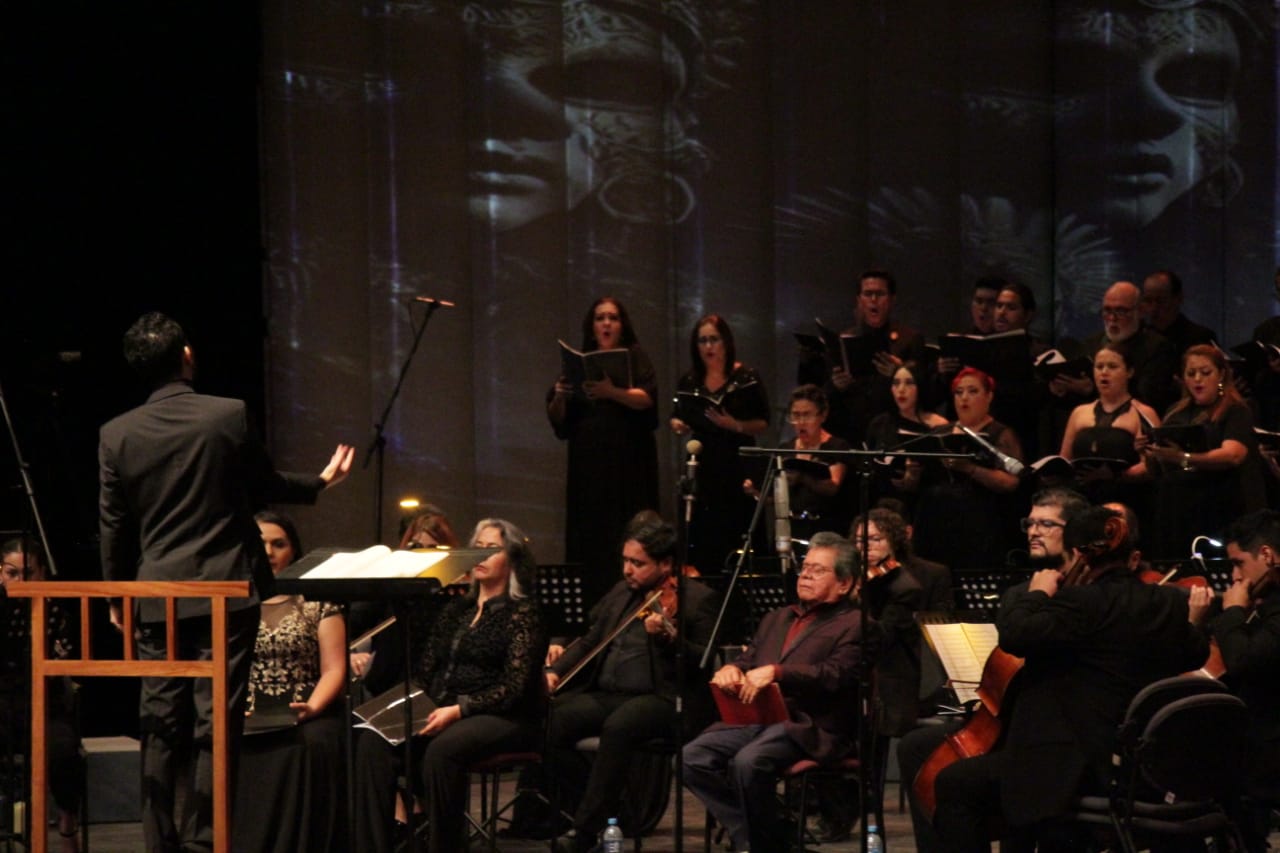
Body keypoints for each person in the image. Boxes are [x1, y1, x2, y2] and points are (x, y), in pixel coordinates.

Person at [98, 311, 354, 853]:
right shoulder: (227, 415)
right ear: (186, 355)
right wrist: (320, 482)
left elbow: (114, 525)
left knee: (160, 719)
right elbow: (262, 484)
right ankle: (204, 842)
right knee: (217, 720)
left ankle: (160, 842)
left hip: (156, 594)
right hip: (222, 591)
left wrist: (118, 592)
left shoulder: (114, 433)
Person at [931, 504, 1209, 852]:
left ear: (1078, 553)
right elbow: (1194, 652)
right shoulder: (1166, 602)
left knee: (955, 783)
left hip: (1084, 765)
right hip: (1146, 760)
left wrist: (1038, 591)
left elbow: (1015, 634)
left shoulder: (1081, 603)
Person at [897, 487, 1090, 853]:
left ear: (1074, 532)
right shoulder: (1021, 593)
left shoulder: (1082, 595)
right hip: (1007, 715)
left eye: (1047, 524)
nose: (1034, 531)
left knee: (957, 777)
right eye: (1030, 522)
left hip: (1046, 726)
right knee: (914, 747)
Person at [353, 518, 546, 852]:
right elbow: (425, 673)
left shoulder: (524, 613)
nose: (481, 555)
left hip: (505, 716)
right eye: (477, 547)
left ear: (512, 558)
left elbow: (514, 688)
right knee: (372, 739)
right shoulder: (457, 609)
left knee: (442, 751)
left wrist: (459, 710)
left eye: (492, 548)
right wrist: (400, 708)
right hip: (445, 707)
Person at [542, 513, 720, 852]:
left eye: (637, 563)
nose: (627, 570)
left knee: (620, 725)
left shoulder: (698, 599)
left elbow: (704, 659)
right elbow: (589, 639)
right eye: (625, 560)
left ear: (666, 564)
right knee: (549, 720)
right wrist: (556, 672)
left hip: (666, 699)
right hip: (609, 694)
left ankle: (583, 832)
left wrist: (669, 637)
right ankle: (609, 808)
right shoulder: (620, 593)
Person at [682, 531, 863, 853]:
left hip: (808, 724)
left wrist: (779, 673)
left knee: (747, 763)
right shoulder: (777, 618)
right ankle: (767, 838)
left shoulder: (855, 623)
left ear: (845, 584)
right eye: (805, 567)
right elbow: (749, 658)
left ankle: (761, 841)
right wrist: (732, 668)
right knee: (690, 758)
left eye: (818, 570)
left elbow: (837, 674)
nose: (805, 574)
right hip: (759, 718)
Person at [233, 512, 347, 853]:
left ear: (293, 551)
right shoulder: (230, 602)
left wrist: (312, 707)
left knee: (311, 743)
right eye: (260, 543)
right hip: (248, 710)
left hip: (308, 708)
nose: (268, 551)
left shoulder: (318, 601)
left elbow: (334, 670)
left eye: (278, 544)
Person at [548, 297, 660, 606]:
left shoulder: (636, 357)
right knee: (590, 540)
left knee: (628, 532)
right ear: (592, 325)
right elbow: (559, 420)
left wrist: (612, 392)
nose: (606, 323)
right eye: (600, 318)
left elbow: (647, 400)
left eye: (613, 318)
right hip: (589, 469)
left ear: (622, 325)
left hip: (628, 466)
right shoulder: (579, 361)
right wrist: (559, 396)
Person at [1188, 509, 1280, 853]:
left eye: (1239, 563)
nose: (1235, 574)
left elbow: (1243, 661)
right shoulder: (1265, 602)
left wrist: (1231, 612)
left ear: (1268, 555)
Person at [1141, 343, 1266, 560]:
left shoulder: (1235, 410)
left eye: (1205, 372)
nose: (1198, 378)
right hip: (1177, 506)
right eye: (1191, 373)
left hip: (1218, 504)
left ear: (1221, 375)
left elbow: (1233, 454)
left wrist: (1184, 458)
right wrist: (1149, 450)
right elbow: (1158, 467)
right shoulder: (1175, 412)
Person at [669, 314, 770, 575]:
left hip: (737, 463)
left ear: (726, 341)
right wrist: (679, 424)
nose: (708, 346)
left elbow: (763, 422)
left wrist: (734, 424)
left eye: (714, 339)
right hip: (704, 465)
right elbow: (676, 415)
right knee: (703, 533)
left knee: (738, 530)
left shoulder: (746, 377)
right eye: (702, 341)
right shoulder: (690, 381)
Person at [0, 538, 83, 853]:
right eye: (12, 573)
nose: (20, 582)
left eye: (28, 573)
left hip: (44, 703)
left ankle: (65, 825)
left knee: (62, 749)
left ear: (42, 574)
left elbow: (66, 661)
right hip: (3, 701)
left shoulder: (57, 610)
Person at [911, 367, 1024, 571]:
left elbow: (1011, 482)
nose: (964, 398)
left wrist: (969, 468)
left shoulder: (1000, 433)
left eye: (973, 391)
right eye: (959, 392)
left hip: (979, 522)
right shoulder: (940, 432)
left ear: (989, 396)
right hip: (936, 520)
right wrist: (911, 474)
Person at [817, 270, 930, 446]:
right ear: (859, 300)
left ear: (892, 299)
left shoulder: (909, 339)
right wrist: (836, 385)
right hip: (851, 432)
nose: (873, 300)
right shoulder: (845, 339)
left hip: (892, 431)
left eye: (880, 294)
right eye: (867, 294)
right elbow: (825, 392)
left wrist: (899, 373)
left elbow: (926, 392)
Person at [1056, 342, 1160, 515]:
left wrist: (1117, 475)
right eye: (1099, 367)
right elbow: (1065, 458)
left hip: (1126, 499)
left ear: (1129, 372)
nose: (1104, 372)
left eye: (1112, 367)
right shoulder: (1079, 412)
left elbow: (1153, 466)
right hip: (1082, 498)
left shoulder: (1143, 413)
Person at [746, 385, 851, 547]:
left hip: (823, 528)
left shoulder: (836, 446)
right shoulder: (785, 448)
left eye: (807, 415)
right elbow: (774, 498)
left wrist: (803, 477)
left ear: (822, 415)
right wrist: (756, 491)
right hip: (790, 527)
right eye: (795, 415)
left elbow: (833, 486)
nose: (801, 422)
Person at [864, 364, 948, 518]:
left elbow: (945, 473)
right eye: (896, 383)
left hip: (925, 505)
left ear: (921, 386)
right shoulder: (880, 423)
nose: (901, 389)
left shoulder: (937, 425)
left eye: (909, 383)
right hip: (884, 502)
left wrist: (916, 476)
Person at [1140, 269, 1216, 356]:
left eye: (1161, 301)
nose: (1153, 308)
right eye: (1148, 301)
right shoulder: (1141, 338)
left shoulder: (1200, 338)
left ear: (1178, 299)